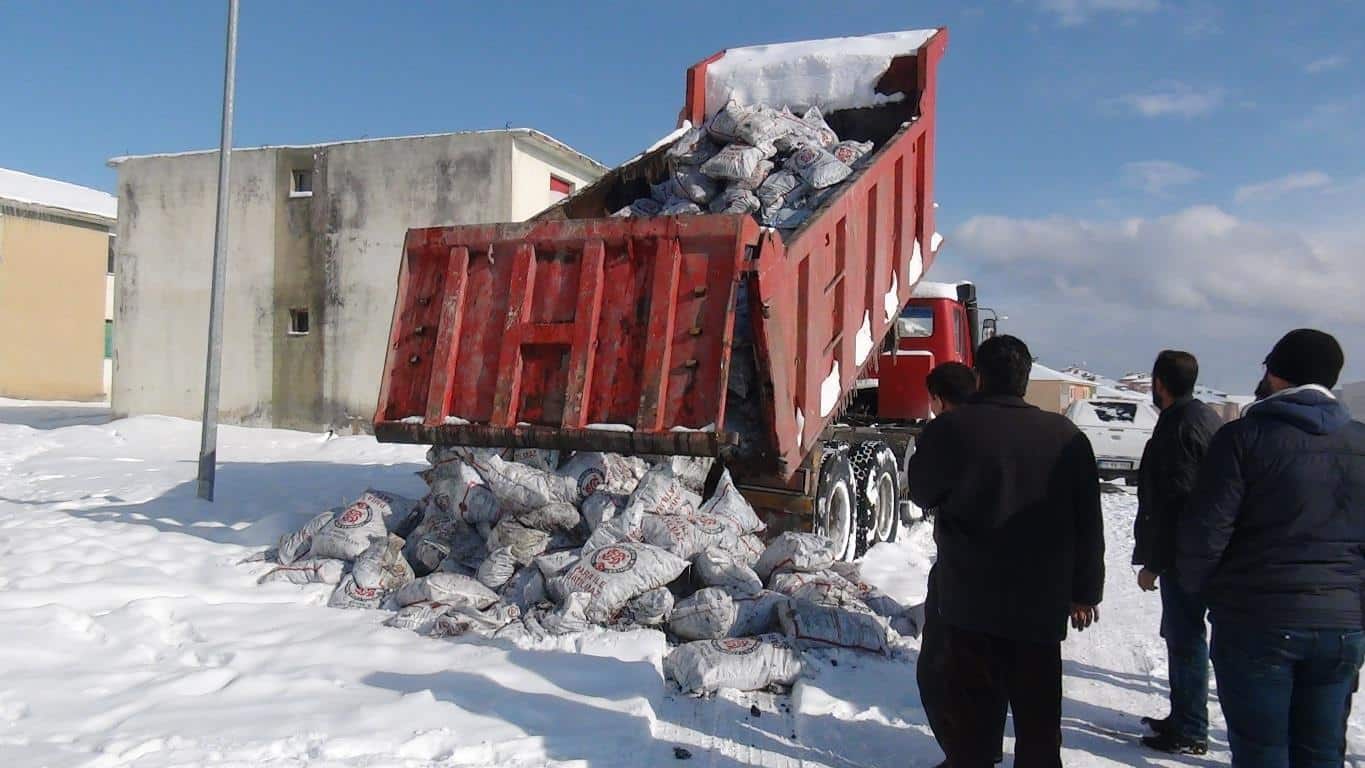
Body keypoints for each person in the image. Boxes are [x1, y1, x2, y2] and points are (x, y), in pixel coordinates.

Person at [908, 335, 1105, 768]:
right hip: (1039, 605)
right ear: (1026, 379)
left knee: (972, 722)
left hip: (968, 601)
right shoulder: (1067, 437)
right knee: (1038, 722)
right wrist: (1085, 592)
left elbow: (922, 492)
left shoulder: (950, 429)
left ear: (979, 375)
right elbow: (1089, 522)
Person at [1178, 329, 1365, 767]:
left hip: (1257, 621)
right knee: (1321, 753)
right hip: (1341, 626)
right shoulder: (1360, 442)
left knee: (1262, 752)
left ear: (1279, 375)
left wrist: (1204, 594)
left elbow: (1206, 534)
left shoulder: (1243, 438)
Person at [1131, 351, 1225, 755]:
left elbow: (1174, 500)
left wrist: (1155, 562)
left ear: (1160, 383)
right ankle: (1184, 715)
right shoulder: (1206, 418)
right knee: (1187, 638)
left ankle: (1189, 727)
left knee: (1185, 640)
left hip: (1187, 556)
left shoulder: (1178, 426)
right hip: (1209, 550)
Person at [917, 361, 1007, 765]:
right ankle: (979, 754)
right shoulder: (1012, 428)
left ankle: (963, 756)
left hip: (960, 570)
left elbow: (922, 491)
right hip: (1014, 573)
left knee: (938, 670)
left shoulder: (946, 432)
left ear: (938, 398)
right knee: (989, 673)